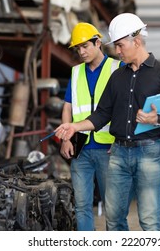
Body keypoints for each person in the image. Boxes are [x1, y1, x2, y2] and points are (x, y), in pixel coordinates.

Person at [55, 13, 160, 231]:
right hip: (118, 153)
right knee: (114, 219)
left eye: (120, 45)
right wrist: (74, 126)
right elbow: (102, 114)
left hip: (149, 152)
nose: (117, 51)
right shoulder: (118, 77)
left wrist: (158, 119)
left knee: (148, 220)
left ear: (136, 41)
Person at [61, 22, 122, 231]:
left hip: (109, 149)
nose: (81, 52)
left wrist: (121, 141)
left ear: (98, 43)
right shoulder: (76, 72)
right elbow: (67, 107)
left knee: (113, 207)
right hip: (81, 149)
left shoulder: (117, 68)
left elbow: (125, 109)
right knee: (81, 206)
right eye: (78, 48)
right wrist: (66, 138)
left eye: (85, 46)